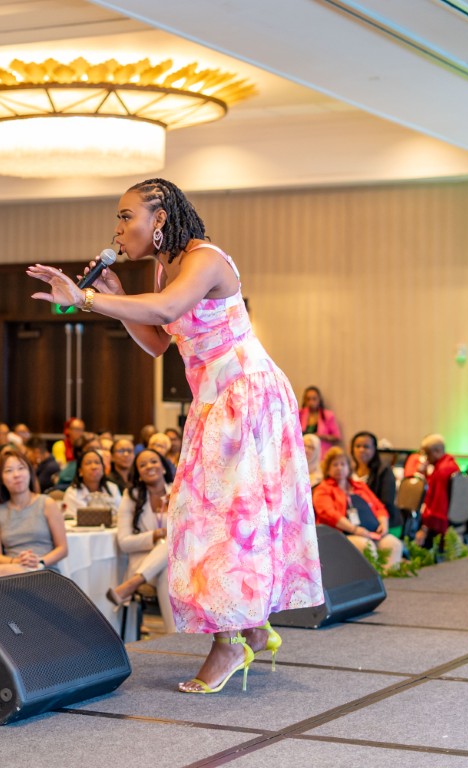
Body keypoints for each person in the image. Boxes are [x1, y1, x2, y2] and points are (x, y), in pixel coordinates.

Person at [28, 177, 323, 694]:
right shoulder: (166, 268)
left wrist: (87, 298)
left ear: (159, 219)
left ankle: (230, 642)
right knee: (210, 515)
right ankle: (252, 627)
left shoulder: (205, 259)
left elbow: (165, 310)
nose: (118, 228)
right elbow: (160, 343)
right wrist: (115, 297)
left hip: (245, 394)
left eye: (126, 216)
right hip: (212, 399)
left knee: (222, 518)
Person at [106, 449, 177, 632]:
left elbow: (189, 532)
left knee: (169, 558)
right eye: (142, 465)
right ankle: (176, 638)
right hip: (143, 561)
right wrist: (156, 535)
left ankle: (133, 583)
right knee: (167, 567)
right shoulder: (132, 496)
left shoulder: (178, 490)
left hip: (177, 562)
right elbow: (124, 542)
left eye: (154, 461)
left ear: (163, 467)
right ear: (138, 473)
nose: (149, 467)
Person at [312, 448, 403, 568]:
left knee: (394, 544)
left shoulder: (359, 486)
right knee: (366, 546)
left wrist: (383, 524)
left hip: (371, 530)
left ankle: (389, 577)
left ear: (349, 467)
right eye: (335, 465)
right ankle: (373, 578)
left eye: (343, 464)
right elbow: (329, 514)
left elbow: (379, 507)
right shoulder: (322, 489)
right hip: (342, 534)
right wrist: (355, 530)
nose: (339, 468)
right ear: (327, 469)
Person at [0, 447, 68, 577]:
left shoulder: (47, 504)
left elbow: (63, 549)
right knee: (1, 571)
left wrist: (39, 561)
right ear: (0, 478)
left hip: (44, 571)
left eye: (21, 468)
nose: (16, 475)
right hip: (12, 571)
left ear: (30, 472)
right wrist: (17, 562)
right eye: (9, 470)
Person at [413, 434, 460, 547]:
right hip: (454, 516)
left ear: (437, 451)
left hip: (439, 522)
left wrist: (424, 528)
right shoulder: (451, 464)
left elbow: (437, 505)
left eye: (427, 454)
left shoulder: (442, 472)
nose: (426, 458)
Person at [349, 431, 400, 531]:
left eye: (366, 447)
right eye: (358, 446)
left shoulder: (384, 471)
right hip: (358, 522)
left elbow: (387, 502)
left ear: (374, 449)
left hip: (385, 522)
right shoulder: (349, 471)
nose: (361, 450)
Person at [62, 448, 122, 514]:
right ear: (80, 471)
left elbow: (120, 514)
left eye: (97, 462)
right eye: (88, 463)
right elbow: (70, 518)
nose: (94, 467)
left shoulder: (112, 488)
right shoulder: (72, 493)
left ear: (103, 468)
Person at [299, 386, 340, 455]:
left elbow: (336, 437)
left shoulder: (327, 415)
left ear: (319, 399)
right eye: (308, 399)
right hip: (303, 452)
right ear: (304, 400)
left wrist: (323, 436)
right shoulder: (299, 414)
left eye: (314, 399)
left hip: (322, 452)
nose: (311, 402)